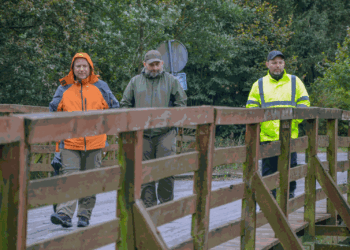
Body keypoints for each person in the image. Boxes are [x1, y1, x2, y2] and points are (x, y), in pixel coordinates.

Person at [49, 52, 120, 227]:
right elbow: (53, 112)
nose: (81, 69)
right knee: (70, 177)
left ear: (90, 68)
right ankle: (64, 214)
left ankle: (84, 215)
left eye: (84, 66)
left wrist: (104, 129)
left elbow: (114, 109)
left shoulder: (101, 86)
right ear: (72, 69)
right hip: (70, 142)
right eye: (78, 66)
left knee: (91, 180)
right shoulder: (64, 88)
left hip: (95, 142)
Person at [120, 50, 187, 208]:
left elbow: (181, 102)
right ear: (145, 65)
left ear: (162, 64)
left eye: (158, 64)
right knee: (144, 172)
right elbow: (125, 104)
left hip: (165, 132)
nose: (155, 68)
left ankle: (166, 205)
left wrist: (172, 122)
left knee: (167, 169)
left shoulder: (171, 81)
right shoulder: (135, 82)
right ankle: (149, 207)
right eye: (152, 65)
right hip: (142, 134)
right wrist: (132, 124)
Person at [246, 50, 310, 199]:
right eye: (274, 63)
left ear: (284, 64)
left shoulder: (295, 81)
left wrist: (293, 121)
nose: (277, 66)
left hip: (290, 134)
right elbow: (251, 108)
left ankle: (289, 198)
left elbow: (304, 103)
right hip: (267, 136)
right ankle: (269, 201)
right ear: (267, 64)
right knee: (269, 171)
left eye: (280, 62)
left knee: (290, 168)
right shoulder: (259, 84)